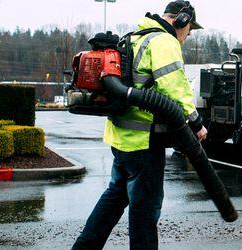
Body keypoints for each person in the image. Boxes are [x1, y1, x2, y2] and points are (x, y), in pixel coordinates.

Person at [72, 1, 206, 249]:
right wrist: (196, 122)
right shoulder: (164, 42)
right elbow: (174, 88)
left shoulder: (134, 36)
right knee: (145, 212)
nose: (188, 36)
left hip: (122, 140)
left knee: (113, 199)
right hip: (145, 143)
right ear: (181, 20)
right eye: (190, 30)